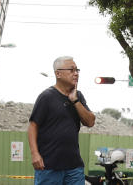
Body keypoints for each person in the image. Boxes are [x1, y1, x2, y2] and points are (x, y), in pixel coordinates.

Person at [27, 56, 95, 185]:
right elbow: (33, 126)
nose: (76, 73)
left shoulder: (78, 96)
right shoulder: (46, 97)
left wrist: (75, 100)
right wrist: (35, 154)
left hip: (74, 167)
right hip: (49, 166)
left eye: (77, 70)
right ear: (58, 73)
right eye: (71, 70)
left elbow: (90, 122)